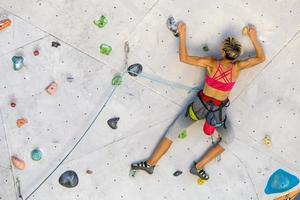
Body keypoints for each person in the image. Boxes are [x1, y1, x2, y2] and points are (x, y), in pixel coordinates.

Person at [131, 22, 265, 180]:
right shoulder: (238, 68)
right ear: (237, 54)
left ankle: (151, 164)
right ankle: (198, 167)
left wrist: (182, 33)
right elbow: (261, 58)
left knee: (173, 132)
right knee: (228, 139)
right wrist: (253, 36)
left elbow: (184, 58)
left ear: (223, 51)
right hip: (217, 114)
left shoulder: (211, 63)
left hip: (198, 107)